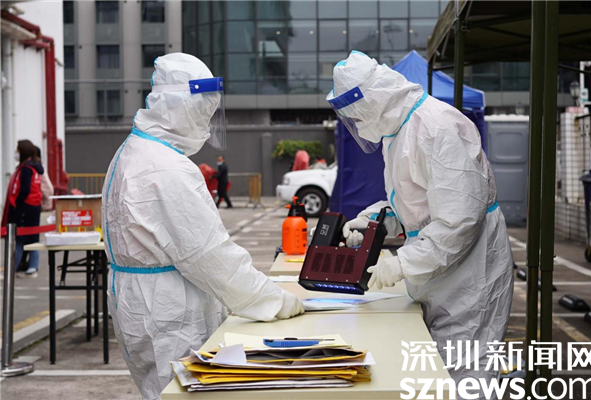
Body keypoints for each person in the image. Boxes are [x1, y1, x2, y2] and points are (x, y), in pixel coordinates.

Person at [102, 53, 304, 400]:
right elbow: (211, 256)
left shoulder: (133, 150)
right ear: (181, 108)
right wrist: (273, 300)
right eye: (203, 113)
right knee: (184, 390)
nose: (207, 125)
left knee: (158, 389)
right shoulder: (167, 168)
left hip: (138, 302)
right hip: (169, 309)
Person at [327, 51, 513, 399]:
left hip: (471, 269)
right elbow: (416, 203)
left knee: (467, 373)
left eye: (358, 114)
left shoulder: (436, 126)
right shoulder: (398, 130)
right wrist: (373, 220)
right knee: (437, 371)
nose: (358, 123)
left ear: (375, 98)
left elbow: (460, 219)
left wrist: (402, 263)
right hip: (440, 267)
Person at [1, 140, 44, 278]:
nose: (16, 153)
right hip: (34, 207)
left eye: (18, 151)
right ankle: (32, 266)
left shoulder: (26, 168)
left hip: (25, 207)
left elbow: (24, 189)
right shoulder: (36, 167)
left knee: (20, 239)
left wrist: (17, 203)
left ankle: (12, 269)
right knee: (33, 237)